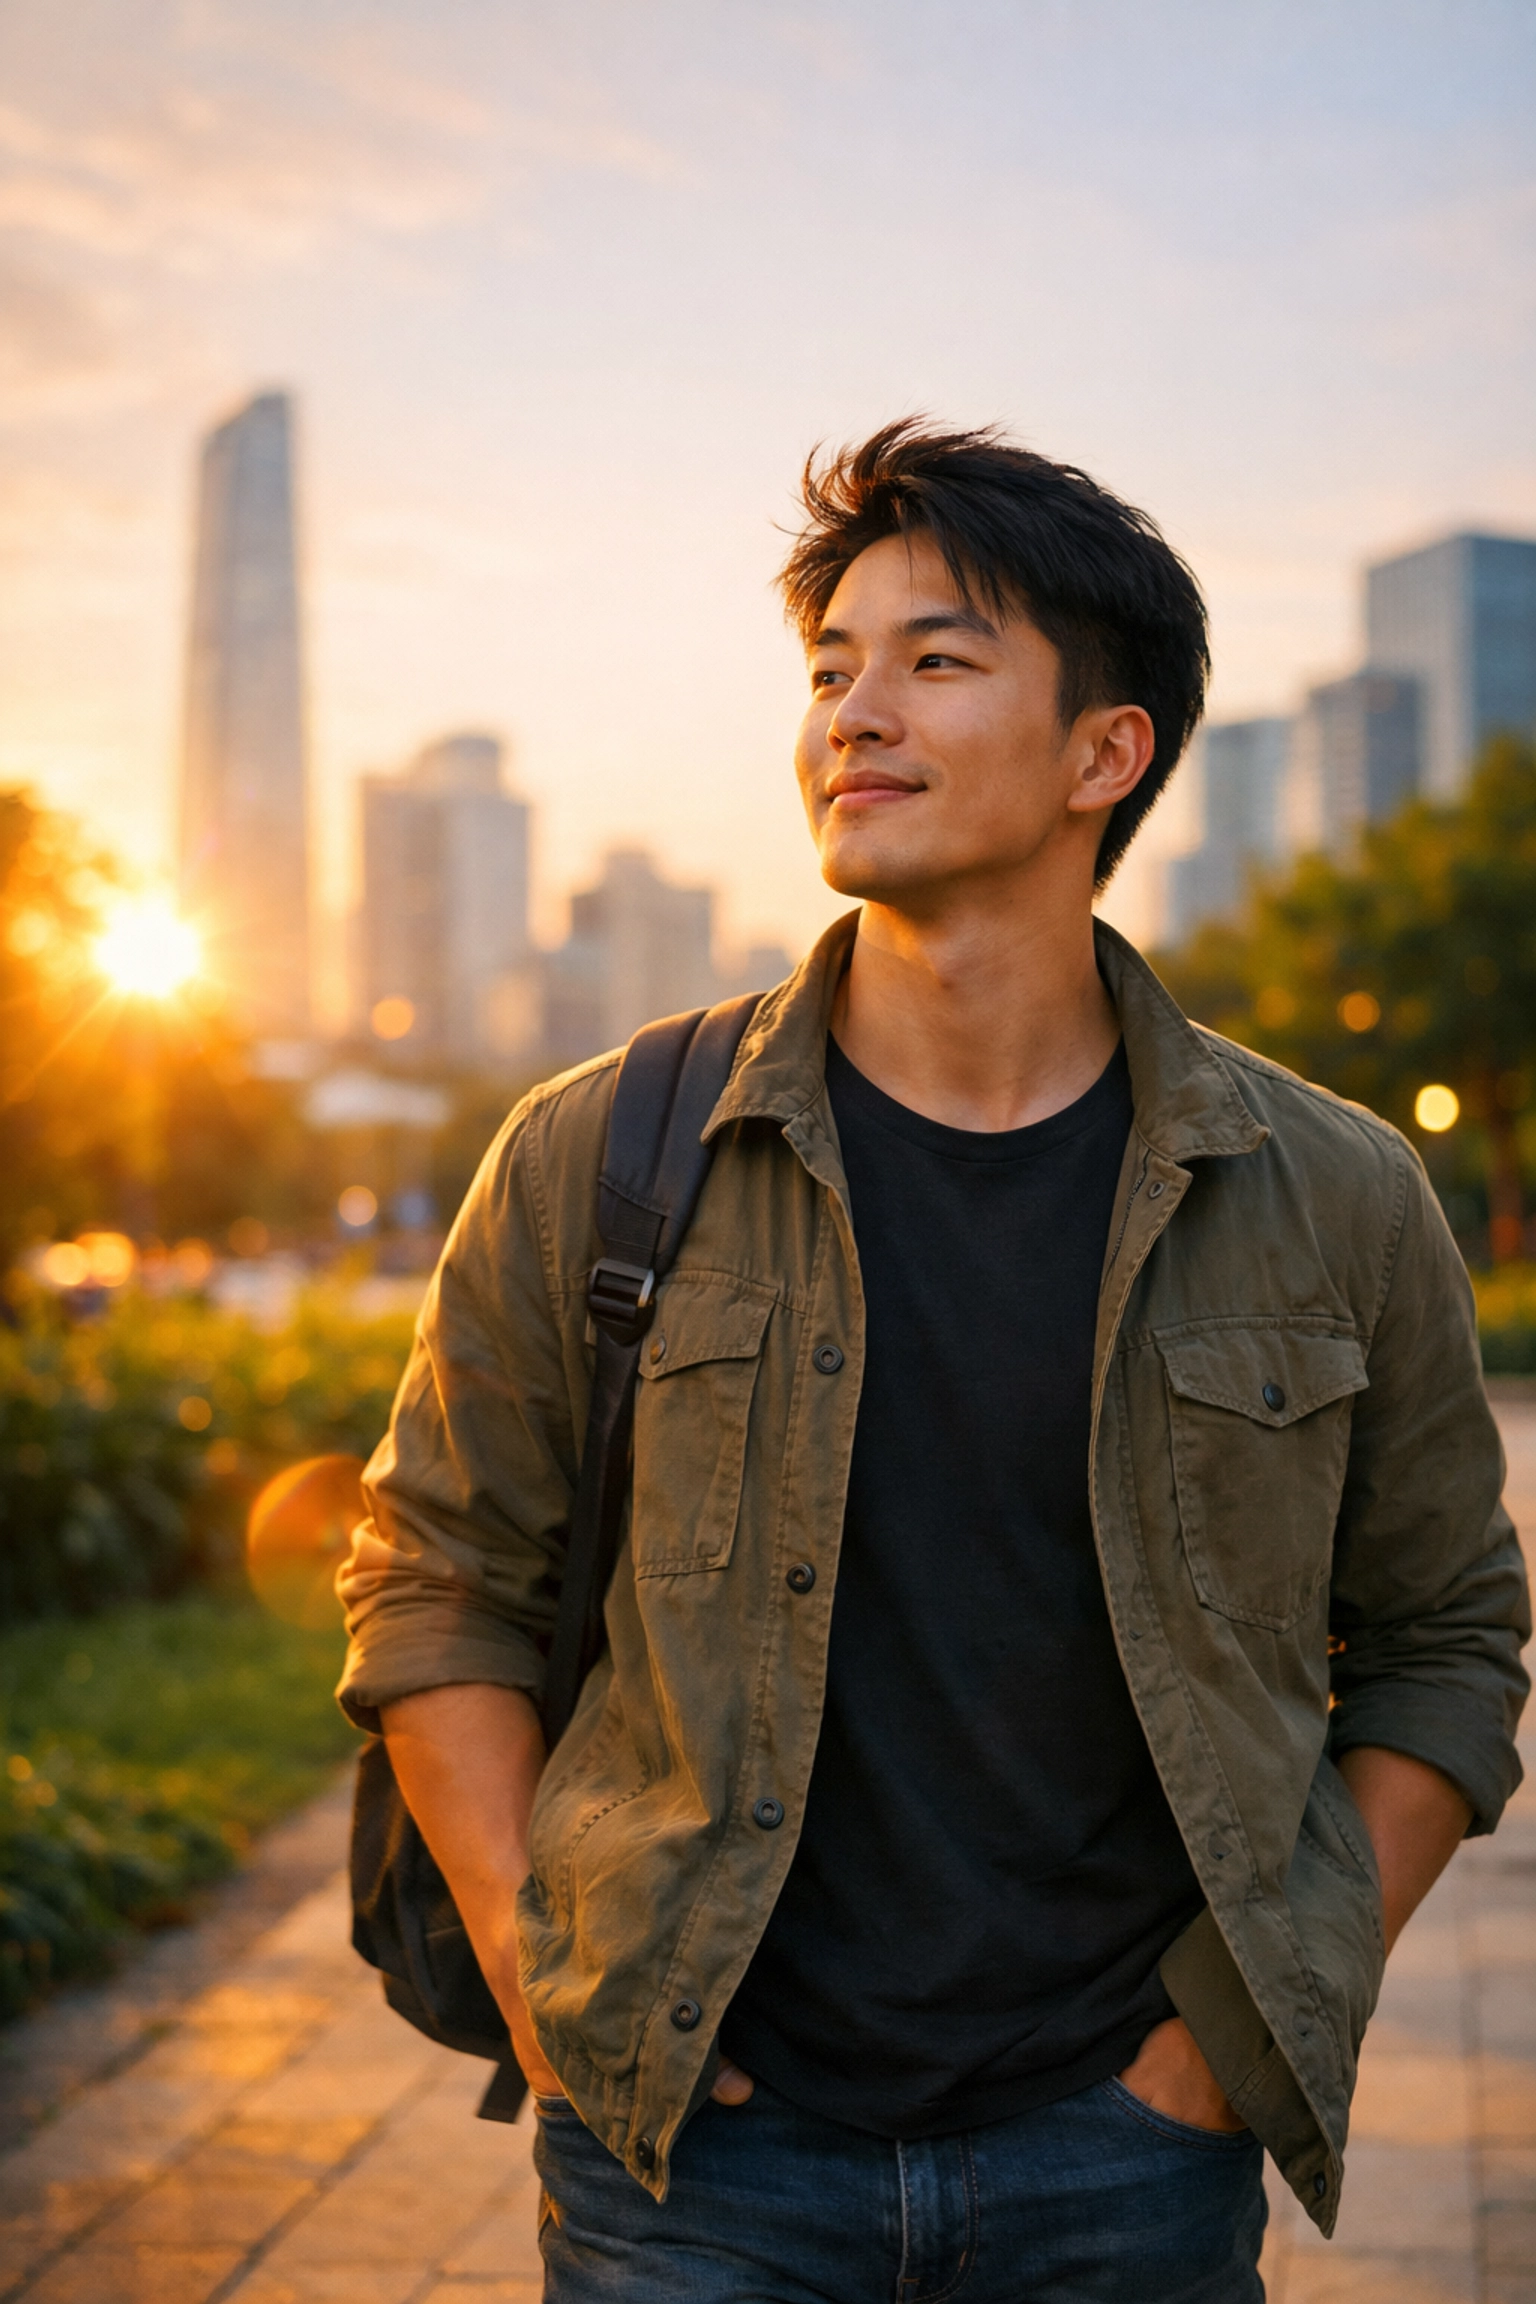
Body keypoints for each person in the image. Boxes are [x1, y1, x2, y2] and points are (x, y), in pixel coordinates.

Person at [338, 421, 1529, 2302]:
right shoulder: (605, 1151)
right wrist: (534, 1967)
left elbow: (1449, 1642)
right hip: (698, 2164)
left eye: (935, 659)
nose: (852, 713)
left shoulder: (1333, 1197)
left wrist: (1222, 2046)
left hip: (1123, 2166)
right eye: (830, 669)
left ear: (1103, 754)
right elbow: (436, 1586)